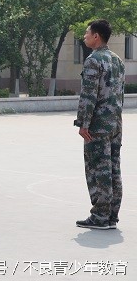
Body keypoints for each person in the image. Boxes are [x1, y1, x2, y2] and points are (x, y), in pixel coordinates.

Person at [74, 19, 124, 230]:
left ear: (96, 36)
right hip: (115, 123)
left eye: (87, 33)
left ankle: (100, 216)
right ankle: (111, 215)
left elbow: (88, 95)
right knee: (113, 169)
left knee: (98, 169)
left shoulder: (93, 60)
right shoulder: (117, 60)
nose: (84, 36)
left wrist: (83, 123)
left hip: (98, 125)